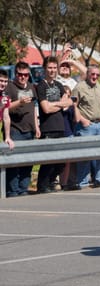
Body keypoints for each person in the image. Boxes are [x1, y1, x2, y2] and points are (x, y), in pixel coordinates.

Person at [36, 56, 73, 194]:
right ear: (45, 68)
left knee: (61, 162)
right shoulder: (41, 86)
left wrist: (54, 104)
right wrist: (59, 103)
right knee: (47, 161)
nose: (52, 70)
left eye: (54, 68)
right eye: (49, 68)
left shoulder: (58, 85)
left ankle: (51, 181)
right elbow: (46, 109)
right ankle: (42, 186)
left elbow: (68, 103)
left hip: (60, 127)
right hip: (48, 129)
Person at [5, 62, 40, 197]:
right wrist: (19, 102)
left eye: (25, 75)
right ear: (16, 74)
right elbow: (5, 107)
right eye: (20, 74)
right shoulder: (10, 87)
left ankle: (23, 189)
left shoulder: (31, 86)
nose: (23, 77)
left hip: (30, 129)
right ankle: (12, 191)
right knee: (14, 163)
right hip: (15, 129)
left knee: (27, 161)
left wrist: (37, 126)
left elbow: (35, 106)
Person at [73, 64, 100, 189]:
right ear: (87, 74)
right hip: (86, 126)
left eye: (97, 75)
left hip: (99, 125)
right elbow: (74, 106)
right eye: (92, 74)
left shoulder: (99, 87)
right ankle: (82, 183)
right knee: (85, 155)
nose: (95, 77)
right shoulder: (79, 87)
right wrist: (83, 120)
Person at [0, 69, 15, 149]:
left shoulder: (4, 96)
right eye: (1, 81)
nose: (3, 84)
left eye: (5, 81)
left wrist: (8, 137)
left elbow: (6, 117)